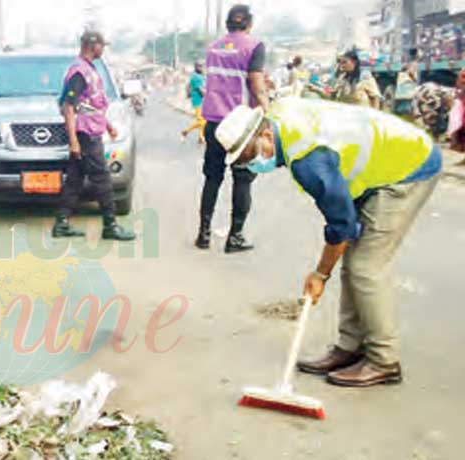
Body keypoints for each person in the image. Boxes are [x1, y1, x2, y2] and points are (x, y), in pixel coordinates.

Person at [217, 98, 441, 387]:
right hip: (383, 160)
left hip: (408, 166)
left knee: (365, 266)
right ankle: (350, 348)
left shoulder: (308, 160)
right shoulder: (281, 119)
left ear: (266, 135)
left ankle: (384, 361)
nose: (252, 164)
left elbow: (342, 226)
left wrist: (320, 274)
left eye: (249, 155)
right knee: (354, 262)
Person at [196, 4, 268, 253]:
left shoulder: (213, 48)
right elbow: (257, 87)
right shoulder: (254, 46)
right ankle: (235, 237)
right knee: (242, 179)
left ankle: (203, 234)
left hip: (214, 122)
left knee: (212, 178)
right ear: (248, 24)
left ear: (227, 24)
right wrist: (268, 113)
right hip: (239, 125)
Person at [52, 31, 135, 242]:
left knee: (75, 179)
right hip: (85, 134)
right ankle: (110, 225)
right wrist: (73, 142)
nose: (103, 49)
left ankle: (61, 223)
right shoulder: (79, 71)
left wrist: (107, 125)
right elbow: (68, 107)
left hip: (91, 130)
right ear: (92, 45)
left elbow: (91, 105)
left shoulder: (90, 69)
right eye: (101, 45)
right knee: (102, 179)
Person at [181, 61, 207, 144]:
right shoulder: (195, 77)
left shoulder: (202, 76)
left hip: (202, 101)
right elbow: (201, 91)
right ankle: (186, 131)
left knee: (203, 120)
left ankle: (200, 137)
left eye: (202, 66)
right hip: (197, 101)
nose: (201, 68)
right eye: (199, 66)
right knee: (202, 121)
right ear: (195, 67)